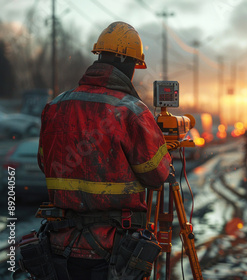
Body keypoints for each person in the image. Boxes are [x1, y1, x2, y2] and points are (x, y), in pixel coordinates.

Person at [35, 22, 171, 280]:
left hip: (58, 245)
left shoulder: (54, 106)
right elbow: (157, 176)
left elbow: (45, 163)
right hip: (111, 250)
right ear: (130, 65)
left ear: (98, 58)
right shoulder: (132, 111)